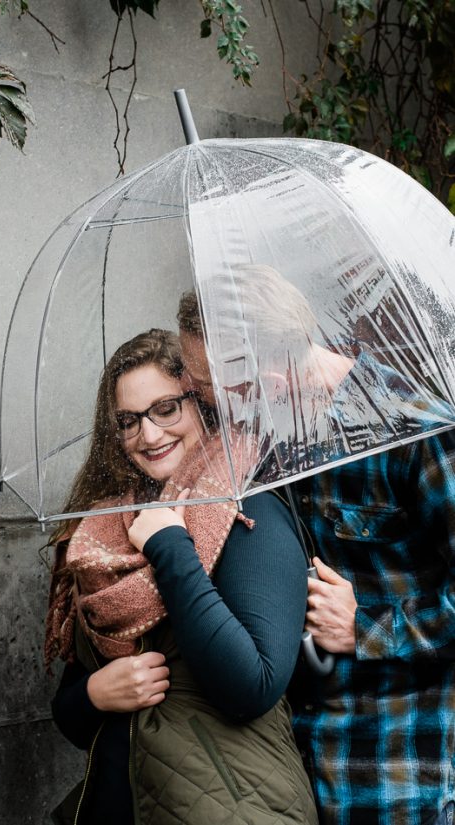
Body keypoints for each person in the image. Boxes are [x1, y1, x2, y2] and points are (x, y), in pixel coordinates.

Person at [177, 270, 455, 825]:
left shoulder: (418, 430)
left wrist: (368, 628)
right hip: (293, 766)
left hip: (396, 776)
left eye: (216, 389)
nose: (213, 404)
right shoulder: (276, 439)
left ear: (274, 379)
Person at [45, 328, 318, 825]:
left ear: (203, 404)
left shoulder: (249, 511)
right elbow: (70, 712)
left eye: (166, 409)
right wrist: (93, 695)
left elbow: (250, 687)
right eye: (128, 421)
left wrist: (172, 548)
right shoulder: (105, 532)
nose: (148, 436)